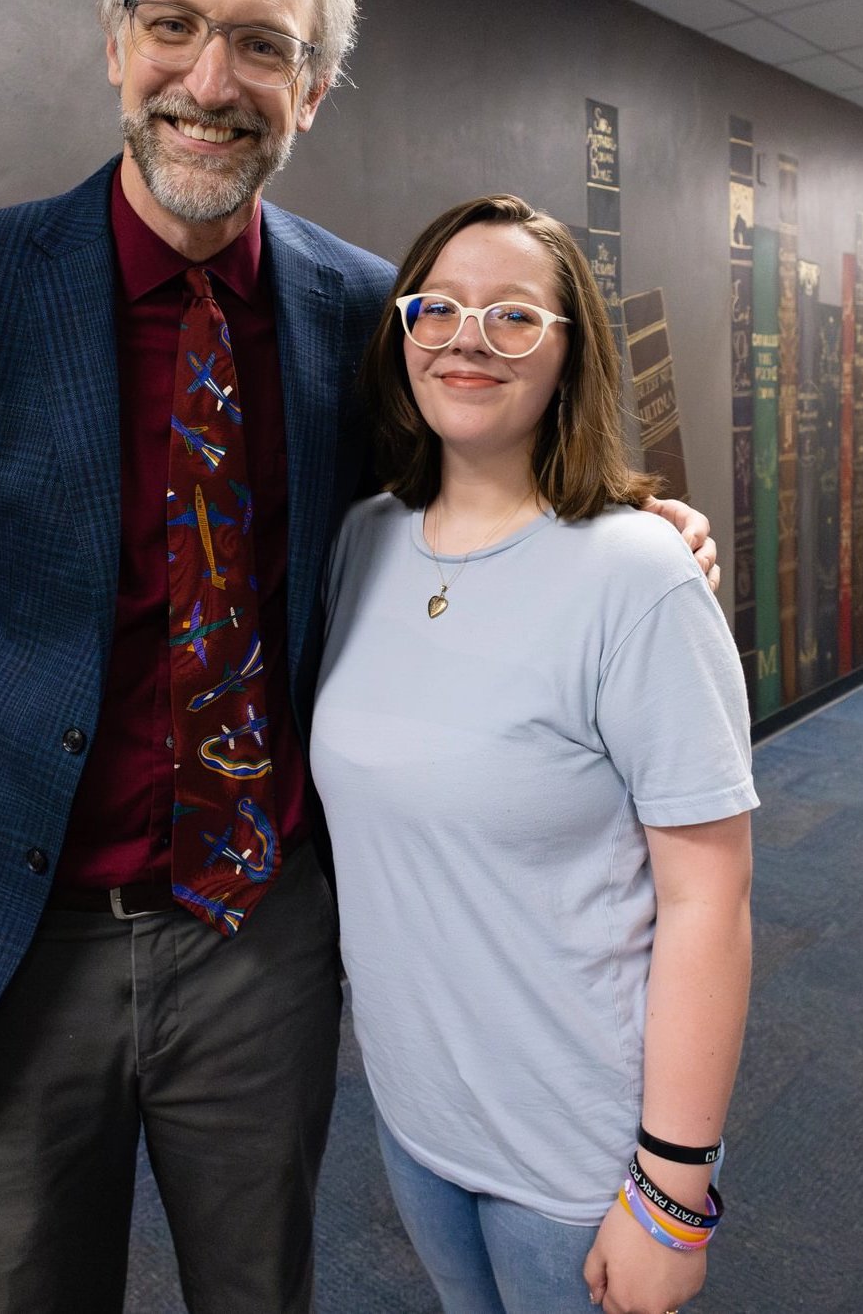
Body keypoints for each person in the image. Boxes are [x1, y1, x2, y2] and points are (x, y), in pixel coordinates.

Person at [0, 0, 720, 1314]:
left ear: (314, 86)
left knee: (260, 1289)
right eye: (171, 24)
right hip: (17, 950)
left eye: (262, 43)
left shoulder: (361, 310)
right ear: (114, 43)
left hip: (259, 941)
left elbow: (461, 492)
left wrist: (624, 518)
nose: (208, 78)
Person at [314, 195, 755, 1314]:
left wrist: (671, 1186)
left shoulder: (637, 575)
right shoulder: (361, 542)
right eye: (440, 308)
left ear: (569, 354)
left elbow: (709, 895)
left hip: (577, 1146)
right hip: (416, 1114)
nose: (468, 337)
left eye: (513, 315)